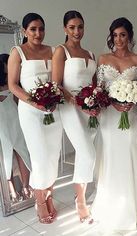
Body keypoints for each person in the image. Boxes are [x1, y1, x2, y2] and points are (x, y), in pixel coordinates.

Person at [91, 17, 137, 232]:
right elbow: (99, 90)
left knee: (129, 151)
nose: (118, 39)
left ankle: (135, 206)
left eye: (123, 35)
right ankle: (110, 203)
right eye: (115, 35)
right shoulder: (103, 58)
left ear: (129, 36)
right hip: (109, 117)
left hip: (131, 116)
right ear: (111, 36)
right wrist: (112, 102)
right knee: (111, 153)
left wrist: (133, 99)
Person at [8, 13, 63, 224]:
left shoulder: (52, 51)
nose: (38, 33)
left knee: (52, 155)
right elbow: (13, 85)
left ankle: (49, 195)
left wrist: (53, 100)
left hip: (52, 110)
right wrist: (34, 102)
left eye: (41, 28)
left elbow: (57, 81)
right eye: (33, 29)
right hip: (31, 111)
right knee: (39, 157)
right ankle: (40, 203)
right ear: (24, 31)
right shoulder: (18, 52)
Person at [52, 10, 97, 224]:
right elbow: (56, 85)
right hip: (71, 109)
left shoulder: (90, 54)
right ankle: (80, 202)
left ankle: (80, 194)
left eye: (80, 26)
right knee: (88, 153)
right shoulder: (61, 51)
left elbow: (95, 85)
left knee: (85, 153)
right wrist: (77, 102)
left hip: (91, 110)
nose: (77, 31)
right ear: (65, 29)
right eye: (72, 27)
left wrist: (96, 102)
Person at [0, 55, 32, 202]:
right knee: (5, 156)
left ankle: (26, 186)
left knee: (22, 152)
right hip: (2, 123)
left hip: (16, 121)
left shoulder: (15, 82)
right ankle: (11, 191)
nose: (12, 65)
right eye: (8, 63)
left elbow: (20, 103)